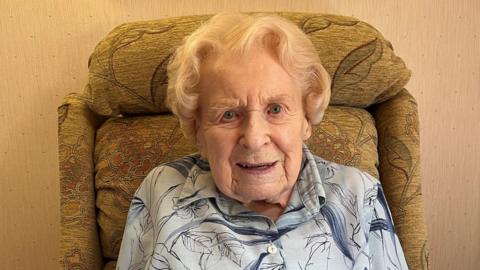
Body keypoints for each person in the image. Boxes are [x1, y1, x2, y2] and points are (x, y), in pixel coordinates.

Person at [117, 12, 408, 270]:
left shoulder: (359, 195)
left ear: (306, 118)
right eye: (228, 114)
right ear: (197, 130)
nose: (254, 139)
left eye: (276, 109)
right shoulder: (162, 192)